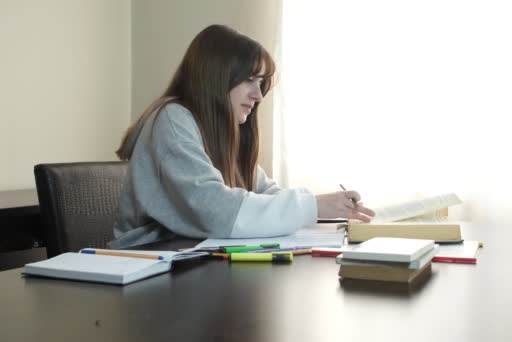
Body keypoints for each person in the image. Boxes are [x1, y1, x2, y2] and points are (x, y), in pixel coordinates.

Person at [108, 25, 375, 249]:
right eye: (250, 80)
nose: (258, 96)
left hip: (187, 262)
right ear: (216, 76)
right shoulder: (172, 119)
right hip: (144, 267)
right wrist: (311, 207)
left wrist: (324, 209)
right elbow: (219, 212)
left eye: (261, 84)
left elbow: (264, 192)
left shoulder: (219, 132)